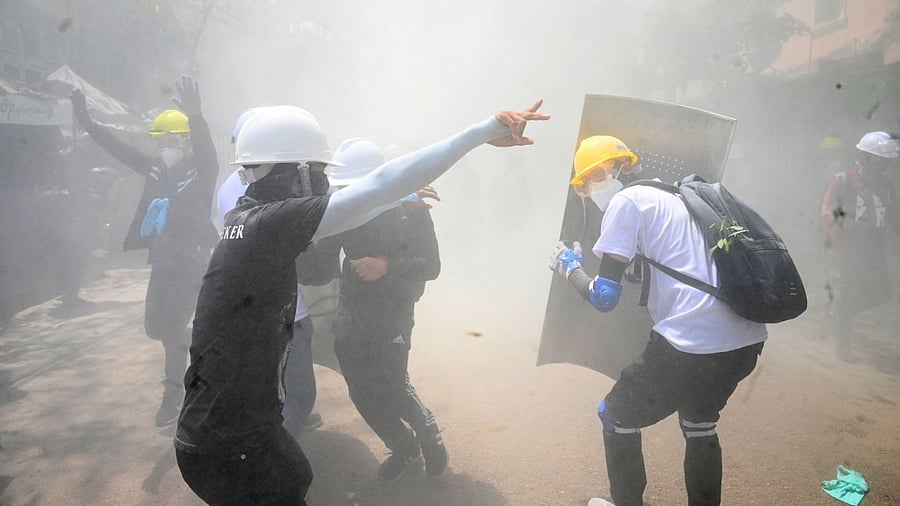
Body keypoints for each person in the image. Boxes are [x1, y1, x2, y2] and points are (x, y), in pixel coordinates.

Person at [174, 101, 549, 505]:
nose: (325, 183)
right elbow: (376, 187)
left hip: (225, 430)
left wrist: (396, 203)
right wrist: (479, 132)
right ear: (299, 172)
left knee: (295, 474)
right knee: (289, 479)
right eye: (320, 171)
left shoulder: (249, 218)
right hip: (230, 441)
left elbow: (362, 207)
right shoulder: (269, 224)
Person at [550, 135, 767, 506]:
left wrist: (569, 269)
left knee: (614, 414)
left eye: (593, 179)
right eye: (584, 185)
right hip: (745, 338)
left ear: (617, 169)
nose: (590, 189)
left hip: (691, 342)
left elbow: (605, 297)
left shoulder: (625, 201)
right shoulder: (677, 197)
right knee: (700, 424)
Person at [71, 76, 219, 426]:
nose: (163, 146)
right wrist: (89, 123)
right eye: (160, 140)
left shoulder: (201, 173)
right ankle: (185, 338)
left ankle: (173, 395)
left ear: (184, 141)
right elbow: (120, 150)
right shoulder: (156, 169)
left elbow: (208, 153)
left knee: (168, 330)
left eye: (169, 140)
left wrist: (196, 118)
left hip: (191, 262)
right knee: (155, 328)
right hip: (163, 262)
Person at [325, 138, 445, 482]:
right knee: (360, 389)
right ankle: (404, 448)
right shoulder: (341, 205)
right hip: (351, 308)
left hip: (394, 309)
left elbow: (432, 265)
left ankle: (428, 431)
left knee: (391, 384)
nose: (352, 193)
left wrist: (385, 265)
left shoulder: (411, 209)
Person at [215, 108, 333, 436]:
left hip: (251, 311)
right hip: (284, 313)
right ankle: (265, 465)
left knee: (268, 391)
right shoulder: (274, 203)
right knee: (297, 395)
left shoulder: (233, 189)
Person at [820, 131, 900, 362]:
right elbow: (828, 213)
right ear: (864, 157)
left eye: (887, 161)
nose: (884, 166)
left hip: (874, 248)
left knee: (881, 292)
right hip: (848, 246)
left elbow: (893, 215)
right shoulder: (844, 179)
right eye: (880, 160)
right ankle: (843, 344)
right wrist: (835, 246)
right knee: (847, 292)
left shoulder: (885, 184)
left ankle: (840, 313)